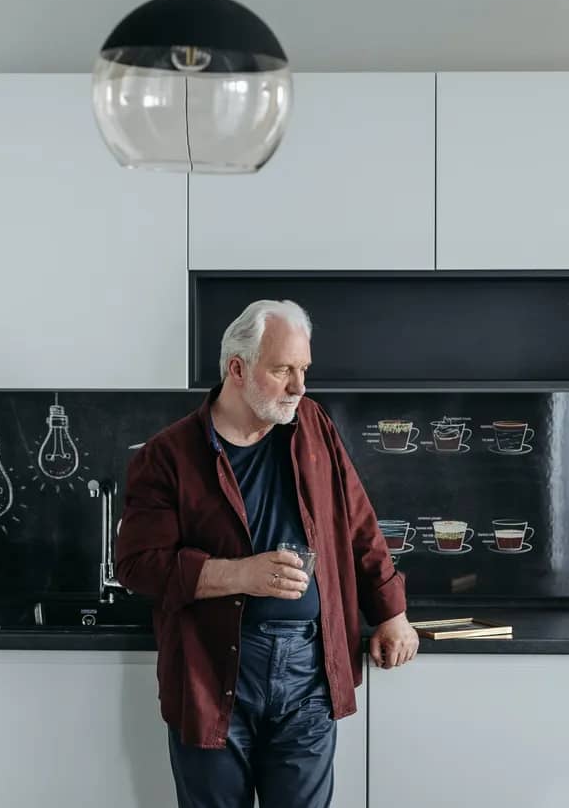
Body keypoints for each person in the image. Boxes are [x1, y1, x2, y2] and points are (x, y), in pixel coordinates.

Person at [115, 298, 418, 808]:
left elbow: (359, 524)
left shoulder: (313, 425)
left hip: (309, 668)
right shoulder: (167, 456)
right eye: (283, 371)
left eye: (303, 370)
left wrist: (392, 613)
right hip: (211, 675)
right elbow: (138, 566)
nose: (299, 387)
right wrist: (240, 575)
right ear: (238, 368)